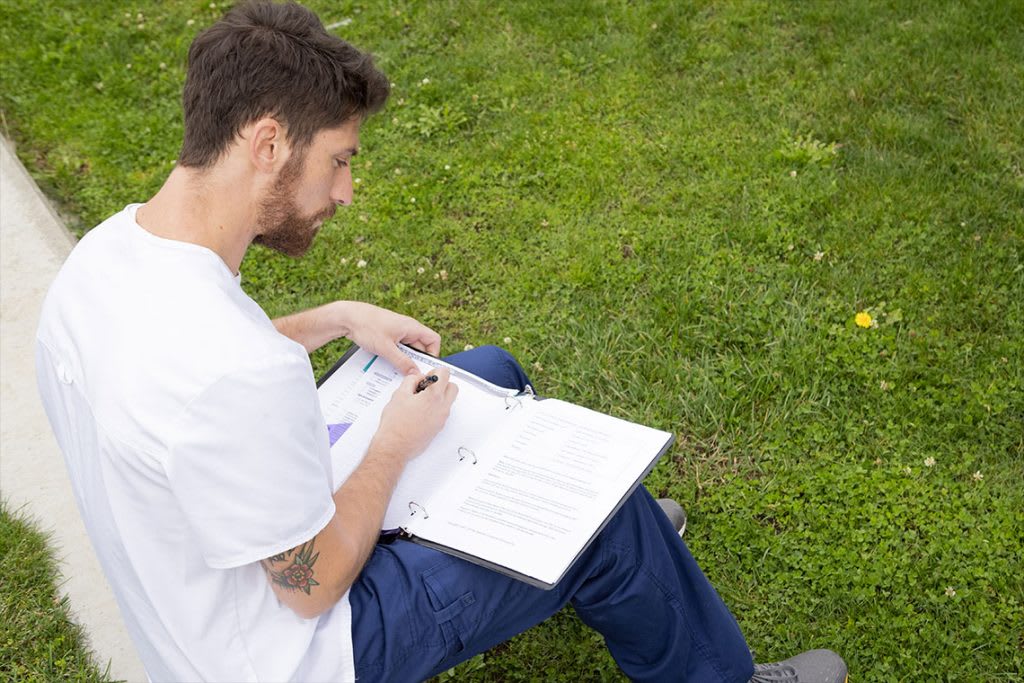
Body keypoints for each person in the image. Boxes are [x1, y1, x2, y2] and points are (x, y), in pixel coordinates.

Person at [35, 2, 847, 681]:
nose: (346, 193)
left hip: (198, 598)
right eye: (340, 161)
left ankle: (613, 557)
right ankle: (636, 578)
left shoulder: (109, 256)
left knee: (486, 374)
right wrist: (389, 447)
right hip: (307, 649)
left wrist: (335, 317)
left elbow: (188, 389)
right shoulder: (237, 374)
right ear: (269, 143)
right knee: (595, 515)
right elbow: (309, 585)